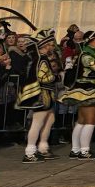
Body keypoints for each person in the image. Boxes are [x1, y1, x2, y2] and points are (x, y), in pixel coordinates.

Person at [60, 30, 95, 159]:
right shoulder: (86, 55)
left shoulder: (89, 53)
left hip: (86, 88)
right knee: (90, 120)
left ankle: (76, 149)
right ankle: (84, 150)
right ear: (91, 40)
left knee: (82, 121)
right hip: (88, 89)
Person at [17, 30, 59, 163]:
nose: (52, 47)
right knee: (37, 123)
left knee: (49, 119)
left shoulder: (39, 59)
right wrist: (56, 76)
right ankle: (29, 152)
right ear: (44, 46)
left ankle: (42, 147)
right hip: (42, 95)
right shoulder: (41, 59)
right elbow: (43, 78)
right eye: (50, 45)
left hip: (47, 94)